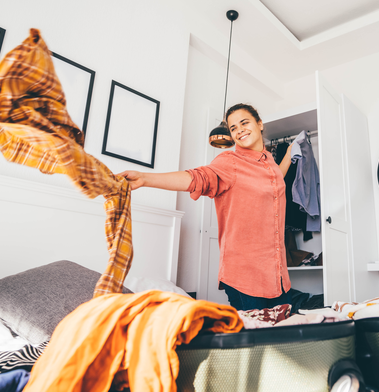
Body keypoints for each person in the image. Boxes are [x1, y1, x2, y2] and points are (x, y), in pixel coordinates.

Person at [118, 104, 294, 311]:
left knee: (282, 338)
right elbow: (197, 178)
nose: (239, 130)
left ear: (260, 124)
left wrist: (289, 155)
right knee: (254, 342)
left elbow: (275, 180)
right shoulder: (230, 162)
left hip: (277, 275)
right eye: (234, 128)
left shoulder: (270, 162)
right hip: (245, 277)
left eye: (244, 123)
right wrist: (145, 179)